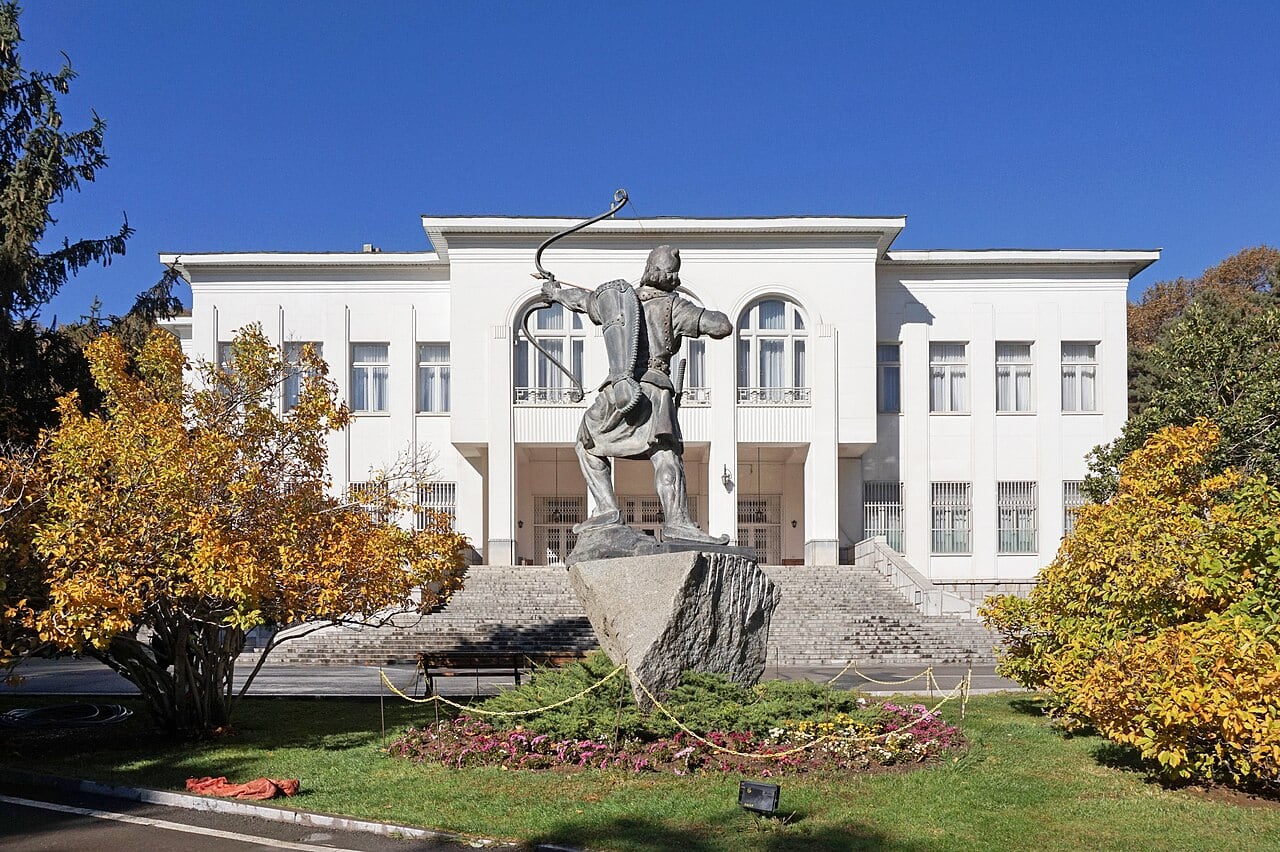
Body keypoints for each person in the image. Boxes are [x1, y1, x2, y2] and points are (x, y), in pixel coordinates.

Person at [538, 245, 732, 543]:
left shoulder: (619, 301)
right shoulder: (674, 307)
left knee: (587, 444)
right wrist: (702, 313)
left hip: (621, 390)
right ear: (672, 277)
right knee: (665, 455)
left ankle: (607, 509)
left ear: (647, 270)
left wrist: (554, 292)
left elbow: (579, 300)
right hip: (656, 389)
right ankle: (677, 522)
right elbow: (721, 326)